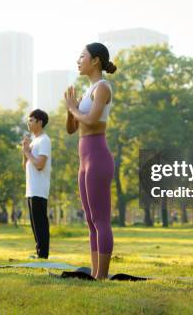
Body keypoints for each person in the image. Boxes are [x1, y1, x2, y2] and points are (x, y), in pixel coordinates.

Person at [64, 42, 117, 280]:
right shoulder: (88, 91)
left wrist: (74, 108)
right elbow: (71, 129)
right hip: (84, 158)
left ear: (95, 61)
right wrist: (70, 110)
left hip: (97, 156)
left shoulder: (102, 87)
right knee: (90, 220)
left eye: (82, 56)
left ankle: (103, 276)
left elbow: (93, 120)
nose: (78, 60)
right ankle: (95, 273)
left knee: (100, 219)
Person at [21, 109, 52, 259]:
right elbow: (26, 165)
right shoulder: (34, 141)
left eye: (31, 120)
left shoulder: (44, 140)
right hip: (31, 189)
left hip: (39, 189)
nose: (29, 123)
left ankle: (43, 254)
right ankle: (39, 251)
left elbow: (40, 164)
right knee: (35, 223)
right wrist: (25, 151)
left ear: (40, 122)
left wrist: (28, 153)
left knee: (40, 222)